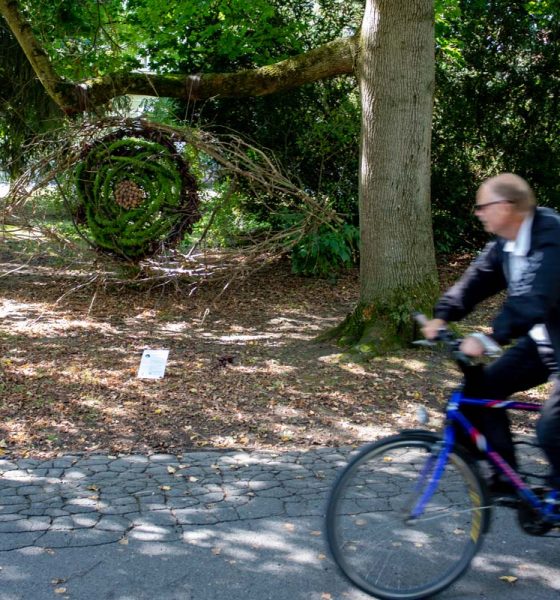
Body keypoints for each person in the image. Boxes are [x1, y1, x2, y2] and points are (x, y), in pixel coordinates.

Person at [422, 173, 560, 495]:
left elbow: (533, 299)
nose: (478, 212)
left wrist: (489, 338)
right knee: (481, 392)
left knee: (552, 429)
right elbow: (476, 280)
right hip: (544, 341)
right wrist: (442, 316)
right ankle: (505, 478)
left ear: (508, 206)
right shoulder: (506, 243)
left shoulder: (551, 235)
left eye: (484, 206)